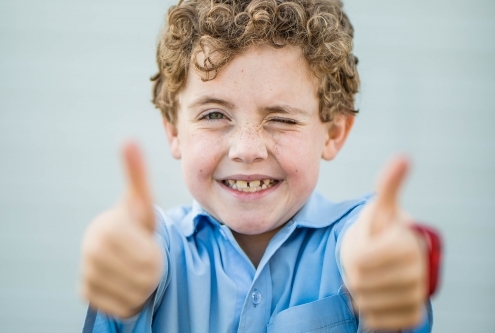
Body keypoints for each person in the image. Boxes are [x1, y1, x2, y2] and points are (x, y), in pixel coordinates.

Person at [80, 0, 440, 332]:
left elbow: (377, 242)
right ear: (174, 129)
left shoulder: (355, 239)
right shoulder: (157, 252)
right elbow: (131, 247)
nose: (247, 150)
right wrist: (119, 260)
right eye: (214, 114)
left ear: (333, 132)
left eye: (281, 119)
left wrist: (393, 260)